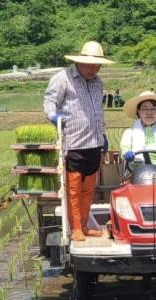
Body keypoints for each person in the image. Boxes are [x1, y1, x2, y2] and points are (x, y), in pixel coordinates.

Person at [43, 41, 115, 241]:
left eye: (98, 66)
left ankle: (83, 225)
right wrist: (53, 116)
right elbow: (49, 101)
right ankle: (75, 227)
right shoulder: (63, 79)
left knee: (88, 189)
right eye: (91, 65)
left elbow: (98, 112)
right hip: (73, 143)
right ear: (79, 62)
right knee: (73, 189)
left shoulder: (97, 82)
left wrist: (103, 134)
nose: (95, 69)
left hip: (94, 142)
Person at [120, 91, 156, 169]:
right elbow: (124, 149)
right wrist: (127, 154)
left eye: (153, 109)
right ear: (138, 112)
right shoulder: (129, 133)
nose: (149, 112)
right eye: (144, 109)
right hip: (135, 171)